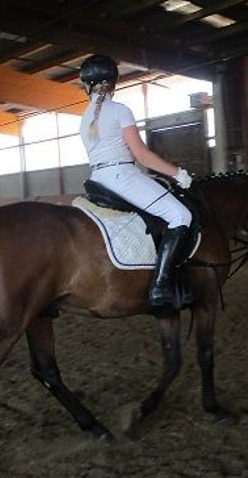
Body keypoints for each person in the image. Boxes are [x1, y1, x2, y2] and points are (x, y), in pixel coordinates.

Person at [79, 54, 193, 308]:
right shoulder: (120, 110)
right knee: (181, 216)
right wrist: (177, 174)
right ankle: (160, 287)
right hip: (122, 176)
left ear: (87, 85)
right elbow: (141, 155)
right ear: (113, 83)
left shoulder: (86, 117)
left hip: (99, 178)